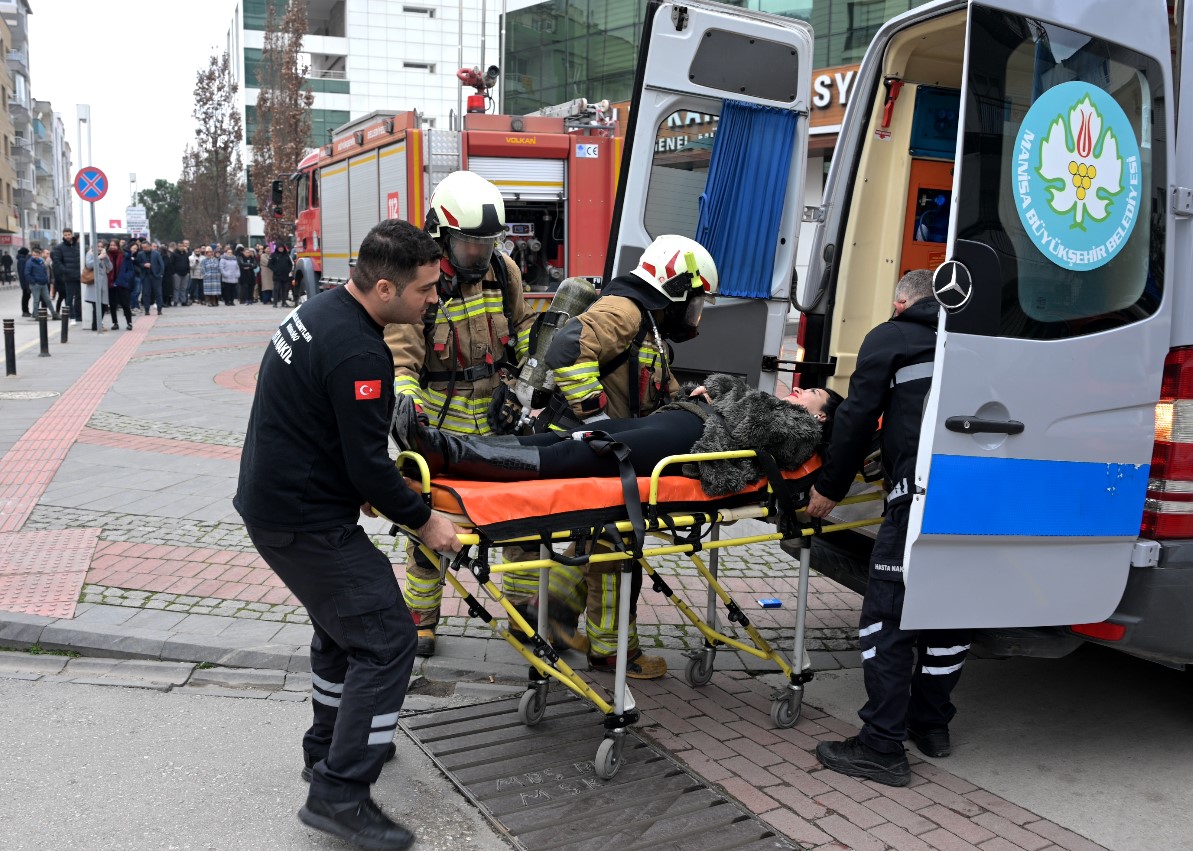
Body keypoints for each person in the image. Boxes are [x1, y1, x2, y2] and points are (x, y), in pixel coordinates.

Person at [234, 218, 464, 851]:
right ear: (385, 288)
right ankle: (340, 793)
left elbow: (318, 422)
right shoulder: (363, 350)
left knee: (342, 630)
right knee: (388, 638)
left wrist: (357, 483)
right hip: (302, 520)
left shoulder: (321, 310)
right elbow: (370, 463)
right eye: (425, 289)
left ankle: (328, 750)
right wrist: (427, 520)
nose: (434, 300)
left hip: (279, 504)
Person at [523, 233, 718, 679]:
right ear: (674, 286)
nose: (694, 313)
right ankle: (612, 652)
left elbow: (655, 389)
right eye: (694, 300)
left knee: (593, 543)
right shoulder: (625, 310)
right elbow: (567, 348)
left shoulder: (644, 322)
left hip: (594, 449)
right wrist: (598, 419)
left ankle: (548, 617)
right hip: (590, 448)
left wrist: (689, 399)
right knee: (615, 551)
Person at [807, 268, 970, 788]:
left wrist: (831, 486)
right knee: (950, 615)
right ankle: (932, 725)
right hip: (974, 500)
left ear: (902, 302)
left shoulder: (891, 336)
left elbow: (856, 417)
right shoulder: (978, 341)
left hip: (915, 500)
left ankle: (880, 746)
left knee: (888, 617)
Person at [385, 170, 534, 658]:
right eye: (471, 246)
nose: (480, 256)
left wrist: (522, 386)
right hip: (441, 428)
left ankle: (523, 615)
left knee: (521, 519)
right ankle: (421, 621)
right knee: (428, 527)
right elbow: (402, 359)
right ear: (441, 235)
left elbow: (524, 331)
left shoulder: (504, 272)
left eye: (488, 245)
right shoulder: (422, 285)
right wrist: (409, 409)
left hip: (496, 420)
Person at [393, 374, 840, 490]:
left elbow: (751, 425)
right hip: (681, 421)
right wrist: (714, 390)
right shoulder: (781, 410)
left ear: (821, 417)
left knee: (589, 452)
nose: (799, 390)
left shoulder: (801, 430)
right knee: (563, 438)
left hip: (696, 442)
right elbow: (726, 398)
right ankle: (444, 448)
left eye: (812, 392)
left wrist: (725, 390)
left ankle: (451, 457)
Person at [50, 228, 82, 324]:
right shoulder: (59, 248)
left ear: (72, 234)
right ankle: (71, 317)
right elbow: (57, 262)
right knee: (69, 298)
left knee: (79, 297)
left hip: (79, 276)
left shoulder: (79, 246)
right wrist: (65, 271)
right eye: (65, 235)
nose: (67, 236)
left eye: (69, 234)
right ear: (63, 236)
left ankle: (78, 315)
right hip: (68, 276)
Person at [84, 239, 113, 331]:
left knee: (104, 305)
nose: (100, 248)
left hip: (103, 282)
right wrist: (99, 257)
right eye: (98, 246)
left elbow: (110, 267)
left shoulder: (104, 255)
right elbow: (89, 265)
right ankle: (95, 325)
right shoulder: (90, 253)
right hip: (94, 282)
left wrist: (105, 257)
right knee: (96, 305)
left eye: (102, 247)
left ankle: (98, 323)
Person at [24, 247, 57, 320]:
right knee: (36, 300)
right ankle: (36, 315)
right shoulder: (30, 262)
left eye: (36, 255)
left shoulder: (41, 261)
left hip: (43, 283)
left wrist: (46, 279)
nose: (35, 256)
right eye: (34, 255)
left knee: (48, 299)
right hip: (35, 284)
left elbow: (46, 269)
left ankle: (54, 314)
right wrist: (33, 281)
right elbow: (27, 274)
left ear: (39, 255)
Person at [111, 242, 137, 330]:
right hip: (111, 283)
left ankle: (129, 323)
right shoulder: (107, 256)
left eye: (114, 245)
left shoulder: (125, 256)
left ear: (118, 247)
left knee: (125, 304)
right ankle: (115, 323)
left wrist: (125, 278)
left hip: (122, 283)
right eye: (111, 245)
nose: (112, 247)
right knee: (113, 305)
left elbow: (131, 270)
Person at [268, 243, 293, 308]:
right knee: (276, 289)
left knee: (285, 290)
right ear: (277, 248)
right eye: (279, 248)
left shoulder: (286, 255)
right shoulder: (273, 255)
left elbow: (290, 264)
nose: (281, 249)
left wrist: (288, 270)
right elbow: (270, 265)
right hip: (277, 275)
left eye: (282, 248)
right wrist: (275, 270)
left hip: (285, 276)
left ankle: (284, 302)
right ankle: (275, 303)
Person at [17, 245, 31, 317]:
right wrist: (25, 283)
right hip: (25, 282)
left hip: (24, 281)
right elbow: (23, 272)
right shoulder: (22, 260)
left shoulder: (21, 259)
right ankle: (25, 311)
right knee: (26, 296)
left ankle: (26, 310)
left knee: (27, 296)